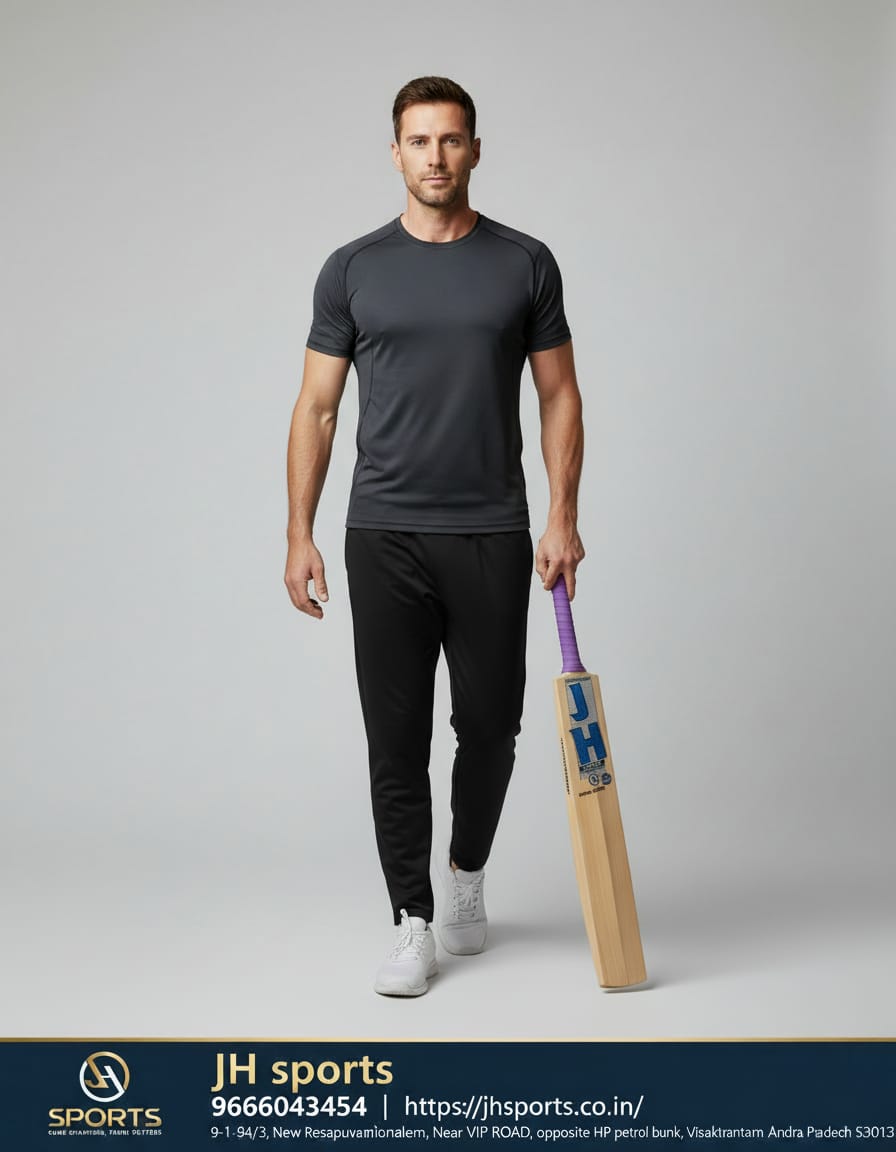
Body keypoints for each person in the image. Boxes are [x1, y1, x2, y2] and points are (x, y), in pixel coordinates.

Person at [284, 76, 585, 997]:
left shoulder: (525, 262)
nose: (436, 157)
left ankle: (465, 871)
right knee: (396, 737)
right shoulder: (352, 268)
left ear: (475, 151)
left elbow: (559, 395)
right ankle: (412, 920)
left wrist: (563, 515)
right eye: (419, 141)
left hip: (492, 529)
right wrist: (298, 532)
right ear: (395, 154)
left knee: (491, 726)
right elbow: (318, 407)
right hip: (383, 533)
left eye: (451, 140)